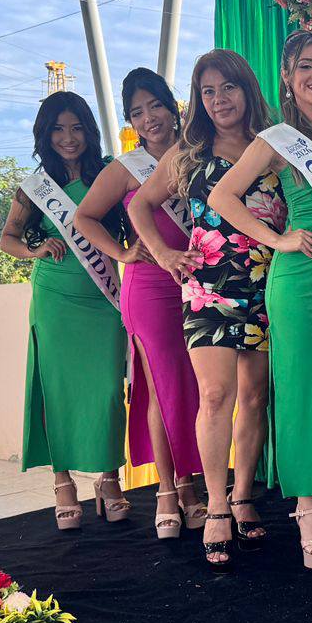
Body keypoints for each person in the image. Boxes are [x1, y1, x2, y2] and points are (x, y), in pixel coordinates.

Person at [129, 50, 283, 571]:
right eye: (208, 91)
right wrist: (164, 254)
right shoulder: (188, 152)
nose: (219, 100)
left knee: (255, 397)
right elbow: (139, 205)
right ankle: (216, 504)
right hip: (209, 286)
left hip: (266, 283)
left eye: (228, 88)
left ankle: (243, 496)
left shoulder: (274, 145)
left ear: (247, 89)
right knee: (216, 395)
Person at [210, 31, 312, 569]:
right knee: (298, 394)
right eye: (305, 66)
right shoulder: (276, 139)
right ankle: (306, 509)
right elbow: (222, 196)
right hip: (299, 282)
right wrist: (275, 239)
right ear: (288, 79)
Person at [76, 68, 206, 540]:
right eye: (137, 112)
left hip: (199, 280)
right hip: (150, 286)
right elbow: (84, 218)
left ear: (174, 108)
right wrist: (123, 252)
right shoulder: (125, 168)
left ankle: (192, 483)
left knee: (196, 387)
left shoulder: (199, 152)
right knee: (161, 384)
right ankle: (172, 491)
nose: (149, 118)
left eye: (155, 106)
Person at [0, 91, 130, 531]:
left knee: (107, 392)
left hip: (103, 297)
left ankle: (108, 479)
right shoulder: (35, 187)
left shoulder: (111, 172)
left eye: (76, 128)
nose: (68, 138)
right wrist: (34, 250)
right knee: (57, 391)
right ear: (45, 134)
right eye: (57, 129)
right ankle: (63, 483)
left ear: (89, 131)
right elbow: (8, 238)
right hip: (55, 296)